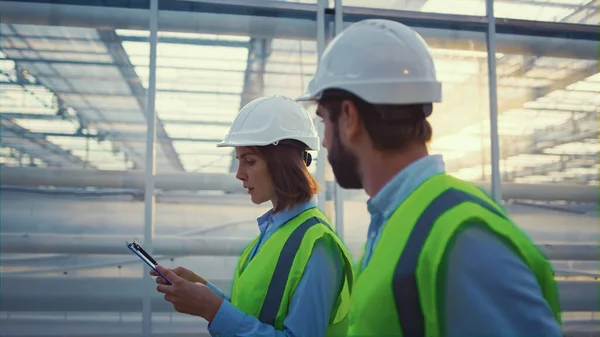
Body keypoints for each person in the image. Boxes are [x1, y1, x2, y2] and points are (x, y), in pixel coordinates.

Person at [296, 19, 563, 337]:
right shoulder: (402, 219)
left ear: (350, 118)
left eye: (325, 121)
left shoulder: (462, 238)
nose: (323, 142)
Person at [152, 95, 354, 337]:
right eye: (239, 161)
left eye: (249, 161)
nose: (239, 174)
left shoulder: (319, 245)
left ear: (283, 163)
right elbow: (253, 314)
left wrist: (213, 309)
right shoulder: (271, 234)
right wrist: (203, 291)